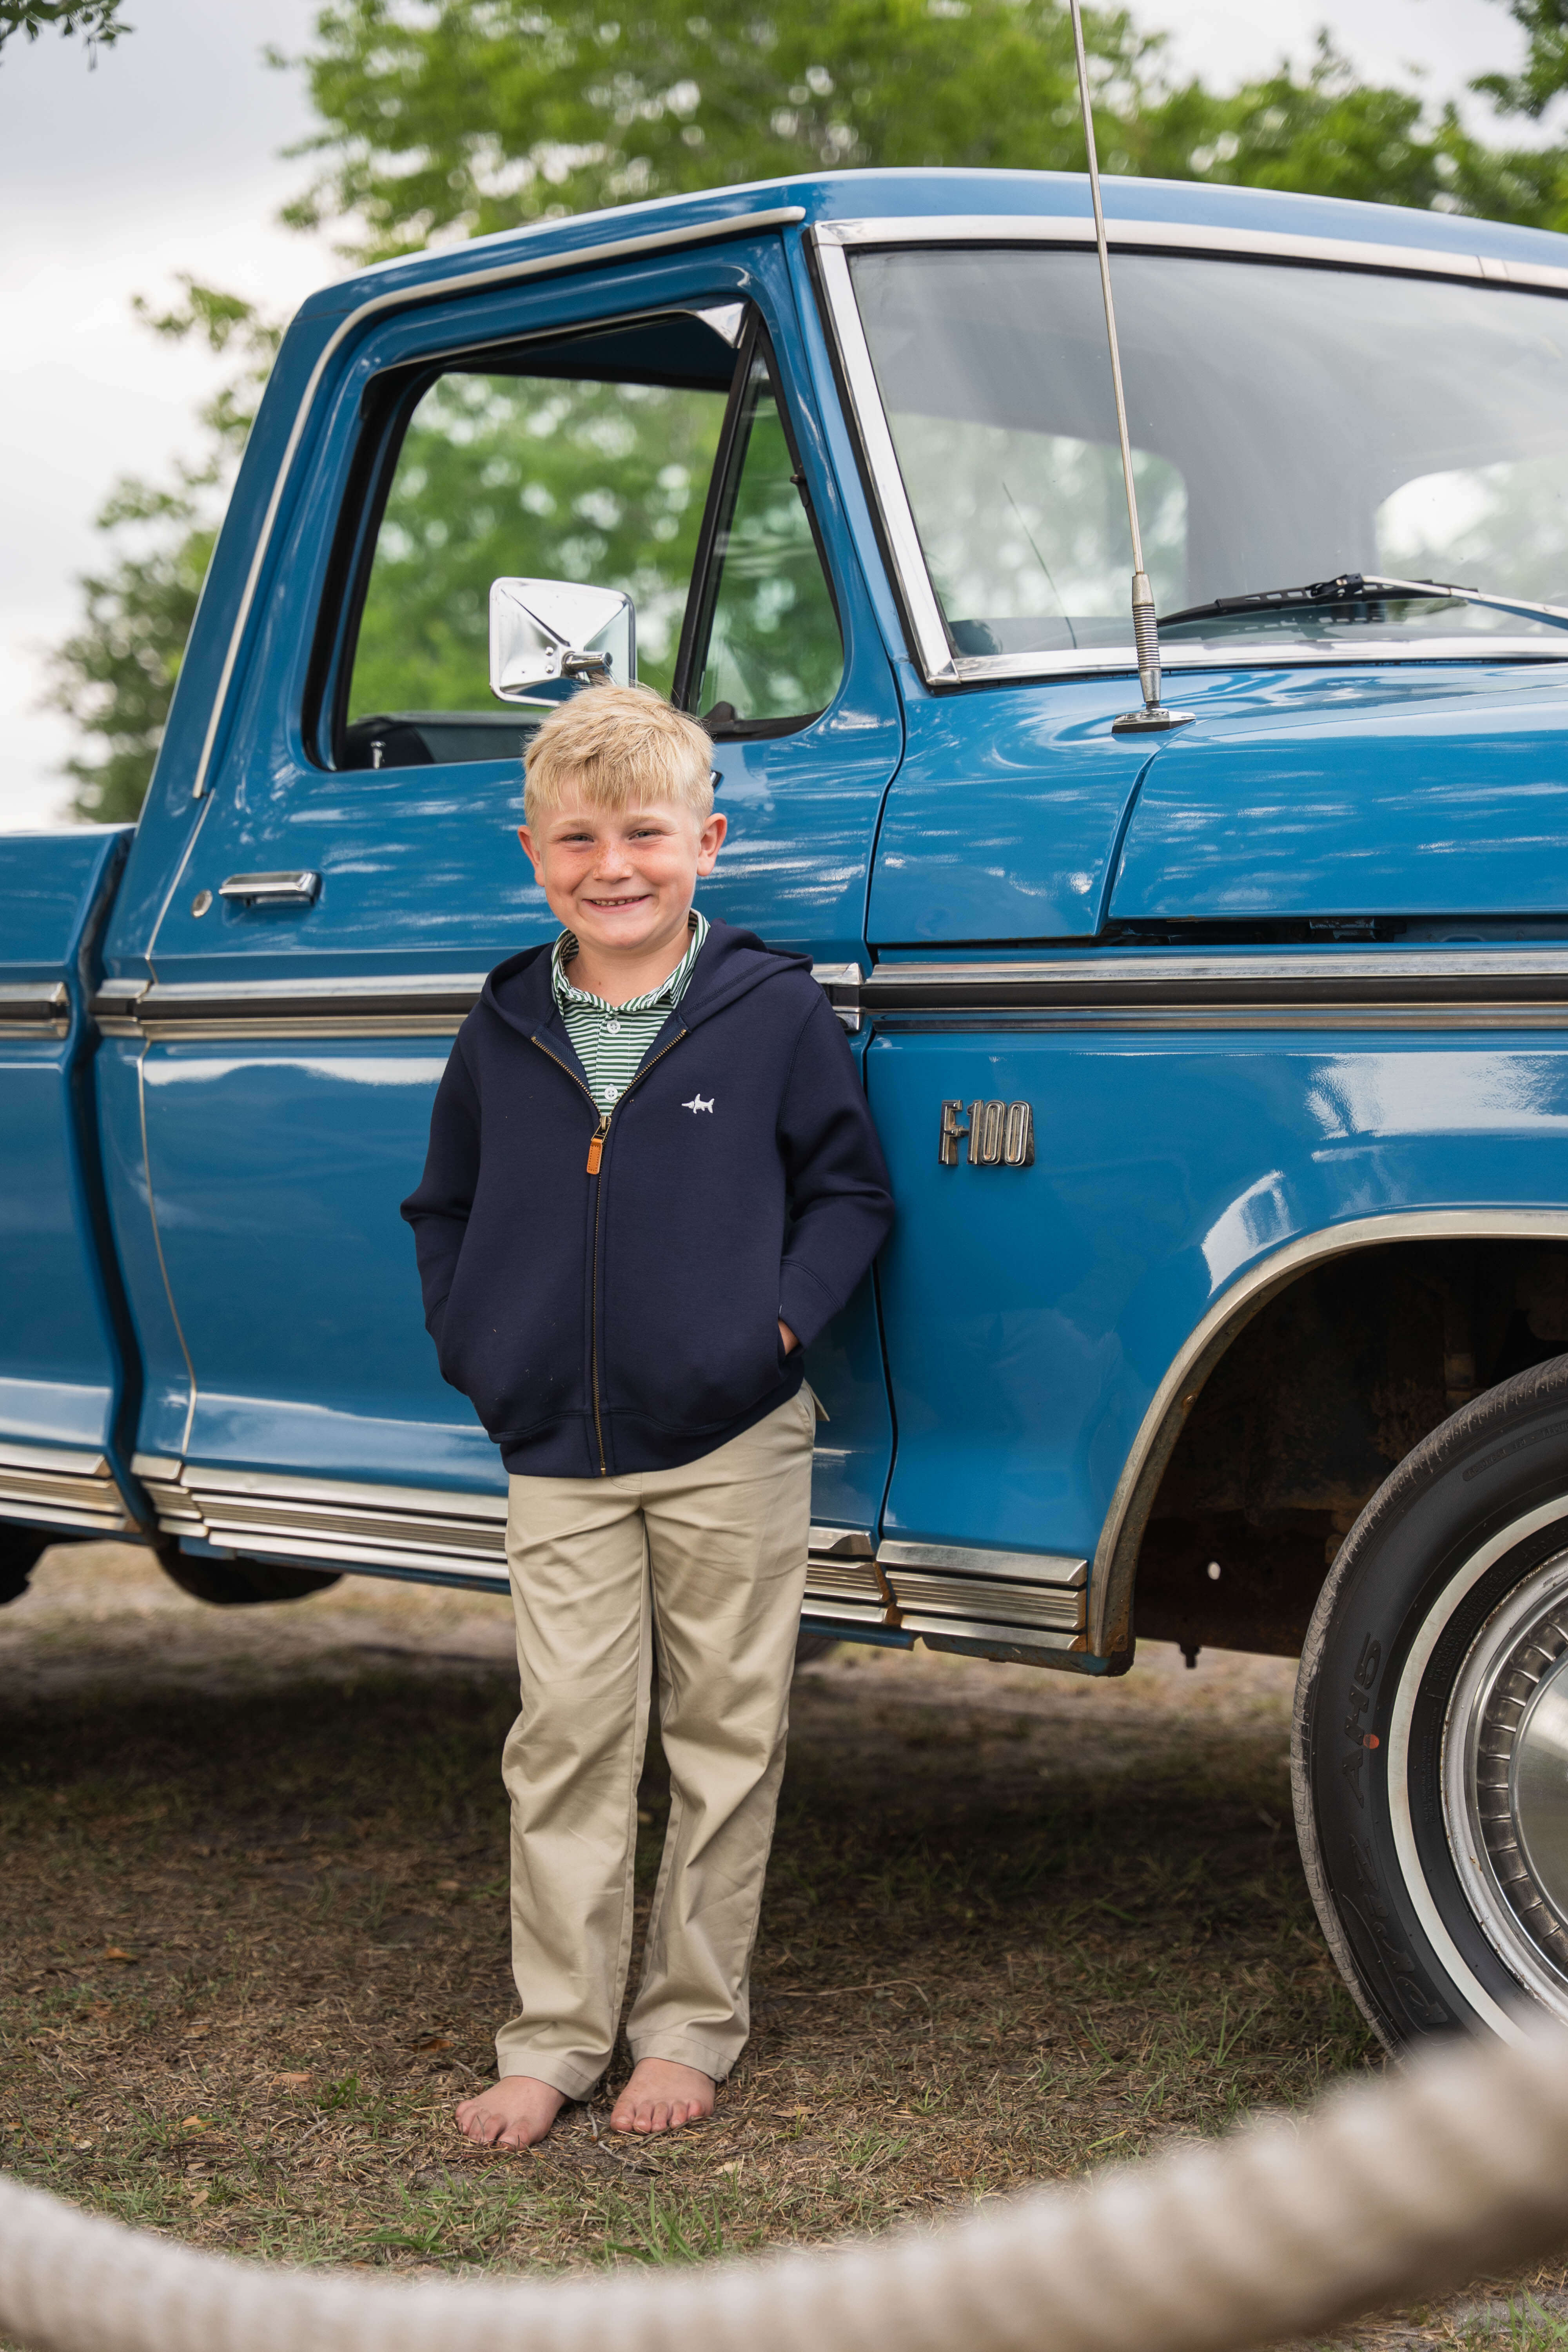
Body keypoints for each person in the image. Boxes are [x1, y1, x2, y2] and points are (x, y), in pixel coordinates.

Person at [400, 684, 893, 2148]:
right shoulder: (501, 1029)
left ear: (709, 842)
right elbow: (445, 1207)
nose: (612, 865)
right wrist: (481, 1345)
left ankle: (689, 2025)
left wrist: (775, 1330)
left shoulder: (771, 1011)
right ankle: (553, 2037)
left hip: (734, 1436)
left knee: (726, 1732)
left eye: (646, 834)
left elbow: (850, 1193)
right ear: (533, 851)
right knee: (564, 1735)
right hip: (557, 1445)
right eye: (577, 839)